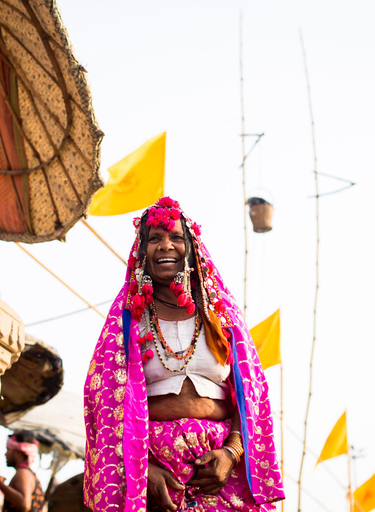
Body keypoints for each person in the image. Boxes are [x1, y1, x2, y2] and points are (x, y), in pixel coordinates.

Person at [83, 197, 284, 511]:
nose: (166, 246)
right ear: (142, 253)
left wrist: (231, 452)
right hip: (153, 479)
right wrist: (141, 470)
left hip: (222, 474)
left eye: (176, 237)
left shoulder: (222, 316)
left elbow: (253, 395)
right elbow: (104, 404)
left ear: (192, 250)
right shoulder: (126, 320)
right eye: (155, 239)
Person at [0, 430, 46, 512]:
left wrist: (0, 484)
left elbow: (24, 504)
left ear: (18, 453)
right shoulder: (29, 474)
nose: (6, 454)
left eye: (8, 450)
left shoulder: (23, 473)